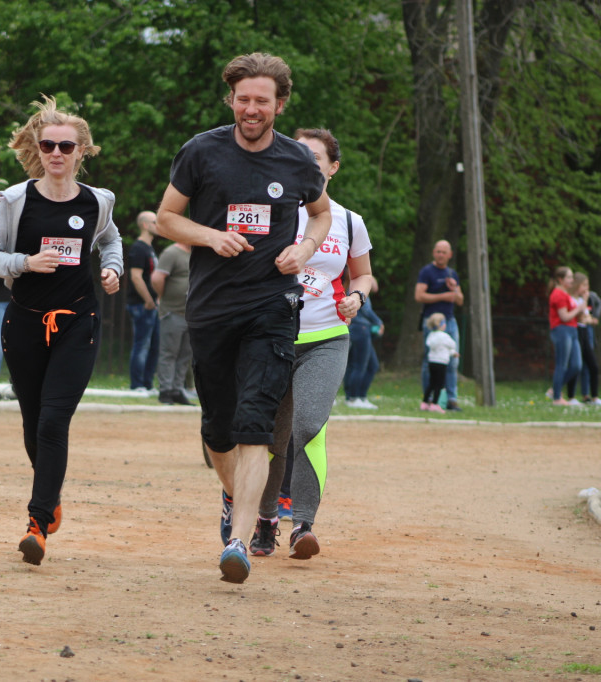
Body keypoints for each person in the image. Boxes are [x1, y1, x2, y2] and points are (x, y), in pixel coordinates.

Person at [156, 53, 332, 583]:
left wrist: (304, 249)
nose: (251, 109)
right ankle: (233, 495)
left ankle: (238, 539)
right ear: (231, 99)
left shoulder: (297, 161)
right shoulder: (201, 152)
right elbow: (166, 218)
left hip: (273, 306)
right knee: (218, 427)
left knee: (257, 421)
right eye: (243, 99)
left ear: (279, 104)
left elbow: (321, 214)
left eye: (262, 100)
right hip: (212, 309)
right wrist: (210, 236)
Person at [0, 96, 123, 566]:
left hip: (78, 321)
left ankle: (37, 524)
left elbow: (110, 238)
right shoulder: (16, 200)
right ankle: (51, 492)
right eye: (48, 145)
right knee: (33, 422)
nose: (56, 153)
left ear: (82, 151)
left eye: (66, 146)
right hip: (24, 322)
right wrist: (25, 263)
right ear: (38, 150)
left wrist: (113, 268)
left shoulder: (97, 202)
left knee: (54, 420)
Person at [250, 128, 374, 560]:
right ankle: (264, 520)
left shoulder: (347, 219)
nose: (306, 160)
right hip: (272, 335)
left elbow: (363, 274)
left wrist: (358, 296)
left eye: (315, 156)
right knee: (269, 435)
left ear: (332, 167)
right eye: (299, 152)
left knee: (308, 426)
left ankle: (303, 524)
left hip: (326, 339)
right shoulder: (273, 207)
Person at [415, 240, 464, 411]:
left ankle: (451, 399)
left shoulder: (452, 274)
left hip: (449, 321)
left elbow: (460, 300)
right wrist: (443, 296)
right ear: (433, 253)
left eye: (444, 252)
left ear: (450, 255)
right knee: (431, 359)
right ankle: (427, 398)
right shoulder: (426, 272)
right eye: (438, 251)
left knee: (452, 360)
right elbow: (419, 295)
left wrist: (454, 288)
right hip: (432, 321)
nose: (441, 255)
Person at [150, 240, 193, 405]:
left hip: (191, 314)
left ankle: (177, 390)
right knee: (169, 352)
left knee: (185, 354)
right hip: (173, 311)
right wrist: (163, 298)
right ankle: (165, 390)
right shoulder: (171, 253)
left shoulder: (195, 254)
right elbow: (157, 278)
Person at [126, 211, 159, 392]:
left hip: (151, 304)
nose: (158, 225)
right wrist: (148, 300)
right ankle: (137, 385)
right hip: (141, 304)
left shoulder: (149, 248)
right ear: (145, 225)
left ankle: (147, 384)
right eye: (155, 222)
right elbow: (136, 277)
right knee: (142, 344)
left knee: (154, 346)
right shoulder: (139, 248)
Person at [566, 273, 601, 406]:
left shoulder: (581, 300)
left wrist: (587, 316)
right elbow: (581, 317)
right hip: (575, 331)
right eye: (584, 285)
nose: (587, 288)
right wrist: (585, 301)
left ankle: (594, 397)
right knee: (576, 365)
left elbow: (587, 318)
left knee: (593, 365)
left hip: (584, 332)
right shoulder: (572, 299)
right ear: (578, 285)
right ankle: (569, 396)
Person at [343, 277, 384, 408]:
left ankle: (356, 397)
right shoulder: (355, 286)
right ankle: (354, 398)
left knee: (371, 365)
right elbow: (365, 309)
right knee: (359, 365)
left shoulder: (356, 283)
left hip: (358, 328)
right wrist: (378, 322)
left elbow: (375, 287)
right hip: (360, 328)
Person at [547, 266, 585, 407]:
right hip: (562, 330)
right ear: (560, 280)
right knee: (562, 364)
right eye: (569, 277)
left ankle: (554, 389)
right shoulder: (558, 295)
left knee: (576, 365)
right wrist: (578, 309)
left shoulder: (566, 294)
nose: (572, 280)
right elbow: (564, 316)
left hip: (572, 330)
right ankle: (557, 398)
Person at [421, 313, 458, 413]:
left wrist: (452, 353)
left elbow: (431, 345)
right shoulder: (445, 336)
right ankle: (435, 404)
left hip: (432, 362)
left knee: (431, 383)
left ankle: (424, 403)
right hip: (441, 363)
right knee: (439, 384)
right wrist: (453, 352)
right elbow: (452, 344)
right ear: (442, 324)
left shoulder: (431, 335)